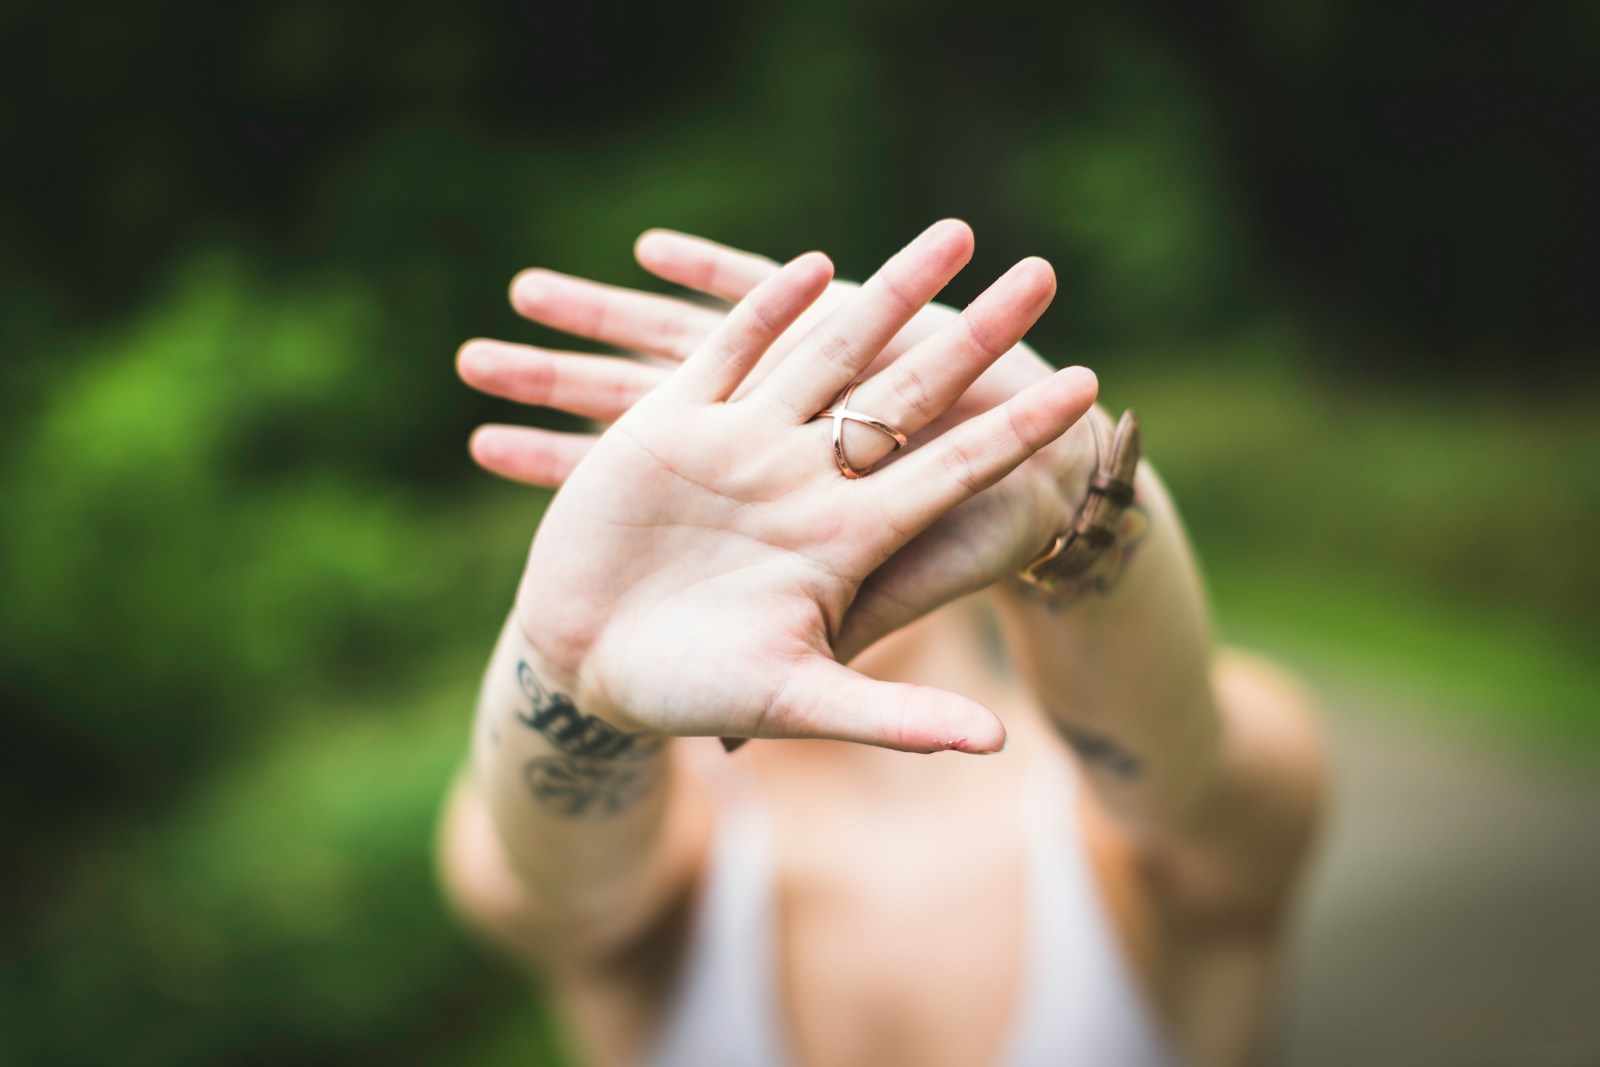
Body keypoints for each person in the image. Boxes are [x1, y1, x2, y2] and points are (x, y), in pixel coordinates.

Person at [437, 220, 1326, 1067]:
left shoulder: (1179, 796)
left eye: (801, 435)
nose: (752, 526)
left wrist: (1075, 484)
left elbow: (1183, 780)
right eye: (684, 485)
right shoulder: (641, 860)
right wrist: (566, 663)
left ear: (930, 435)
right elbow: (560, 887)